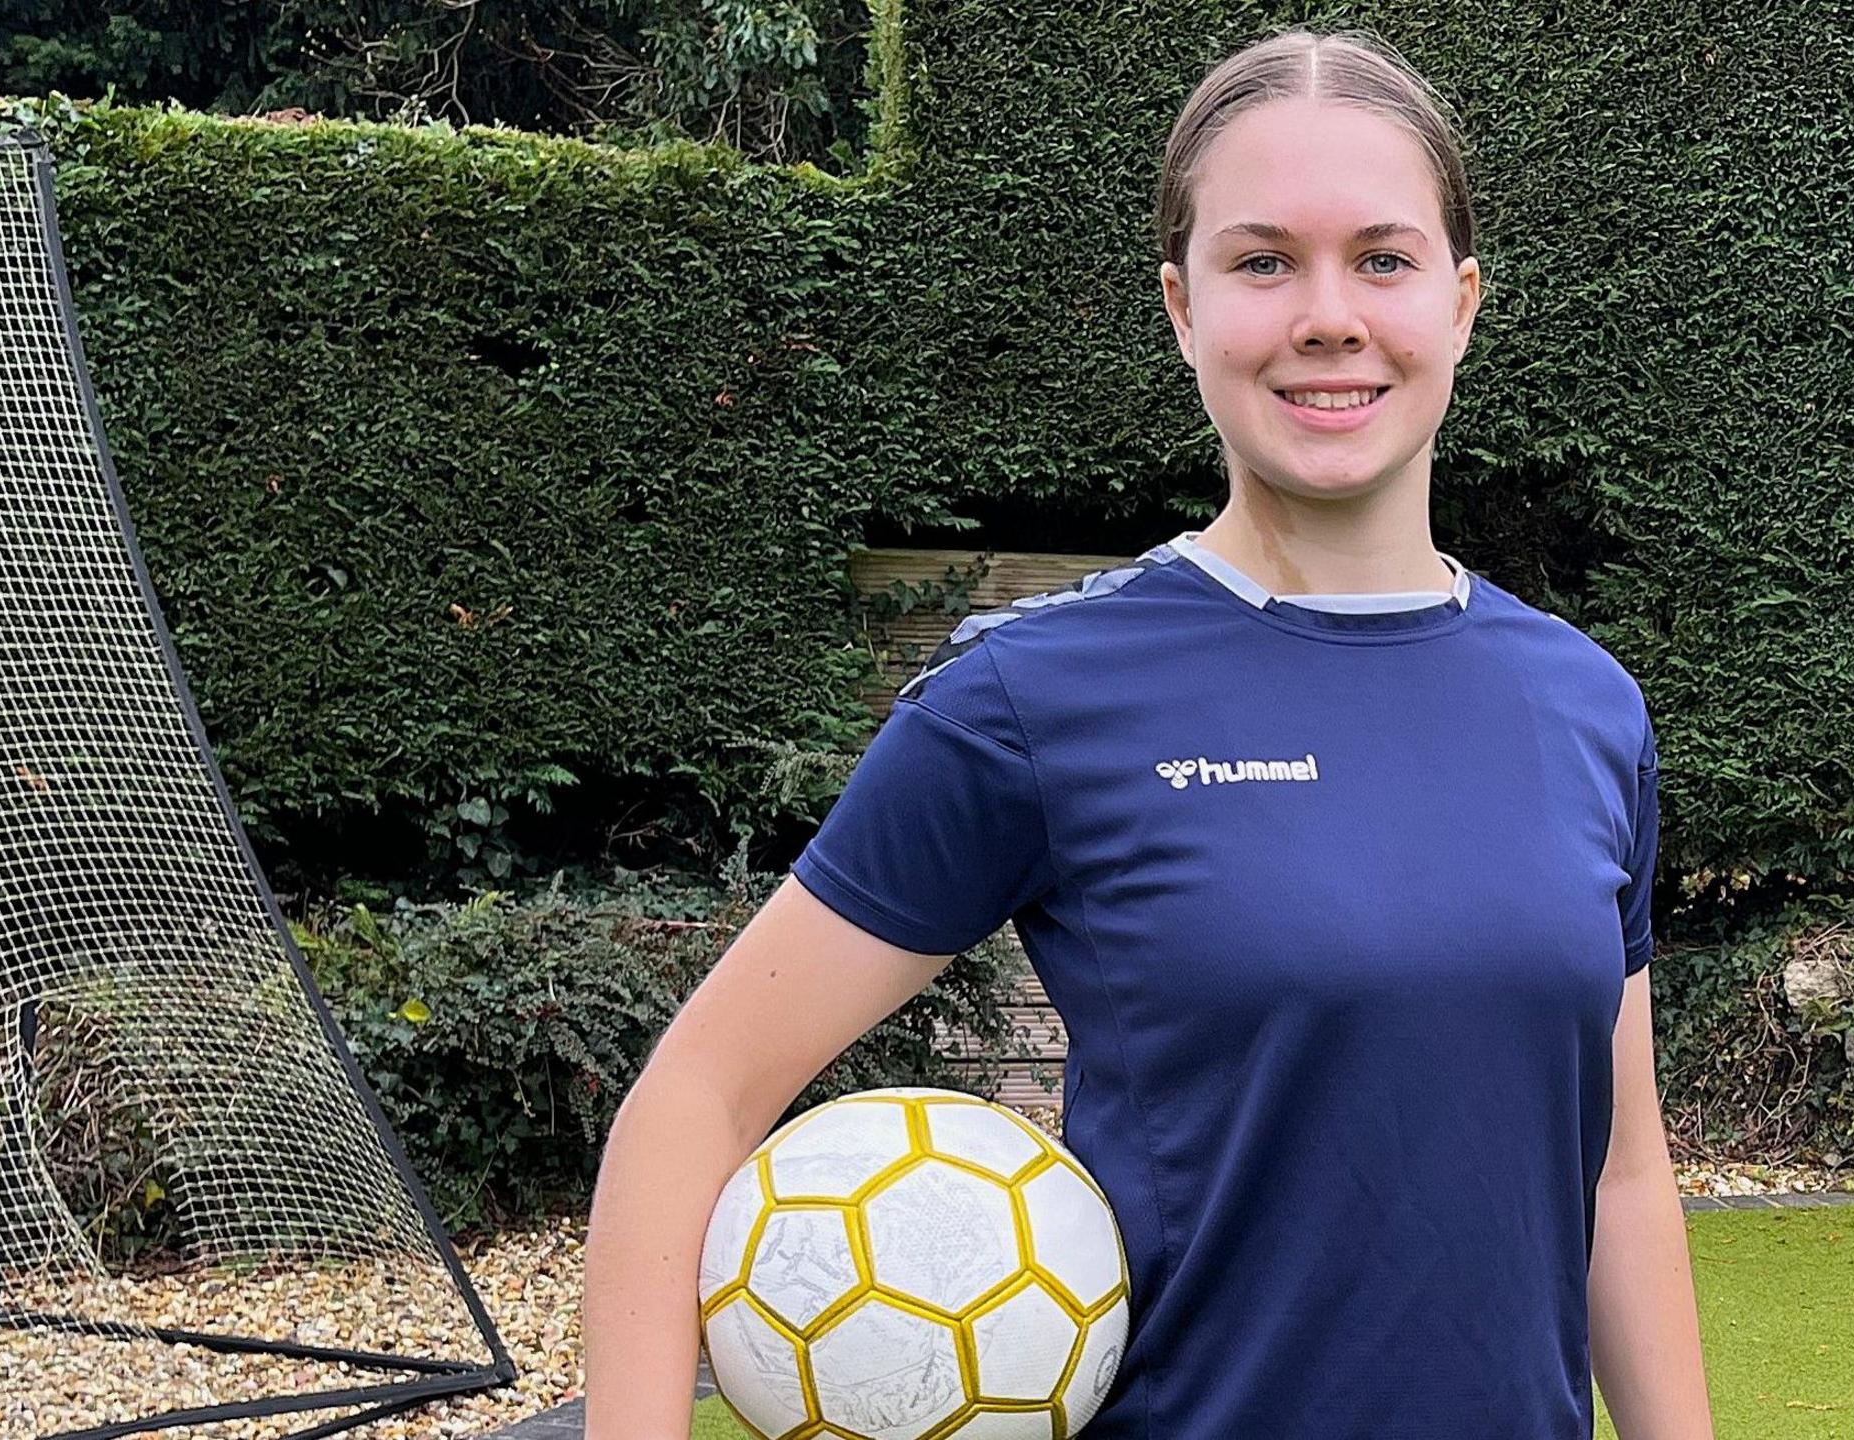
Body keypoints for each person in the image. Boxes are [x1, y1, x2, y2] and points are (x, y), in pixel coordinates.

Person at [583, 23, 1714, 1440]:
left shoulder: (1585, 706)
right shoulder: (1037, 697)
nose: (1327, 315)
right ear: (1181, 310)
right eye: (1262, 262)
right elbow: (696, 1094)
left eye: (1382, 257)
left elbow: (1617, 1176)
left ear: (1462, 301)